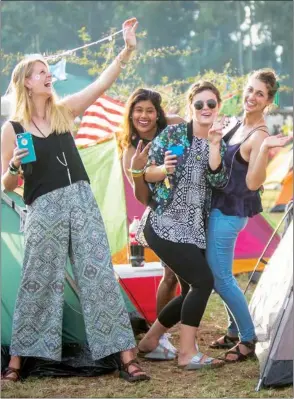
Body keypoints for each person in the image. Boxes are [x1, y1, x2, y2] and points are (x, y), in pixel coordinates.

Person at [1, 18, 150, 383]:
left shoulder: (64, 111)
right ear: (26, 82)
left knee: (98, 275)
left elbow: (101, 85)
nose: (48, 75)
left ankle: (127, 359)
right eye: (40, 72)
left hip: (80, 200)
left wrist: (126, 50)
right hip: (42, 206)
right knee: (37, 281)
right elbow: (5, 183)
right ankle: (17, 364)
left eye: (48, 70)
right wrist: (14, 166)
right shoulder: (13, 129)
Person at [136, 81, 228, 369]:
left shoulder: (219, 141)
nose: (205, 109)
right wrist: (164, 169)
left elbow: (219, 181)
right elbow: (146, 173)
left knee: (192, 288)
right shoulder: (174, 133)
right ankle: (187, 354)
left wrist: (214, 144)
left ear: (217, 107)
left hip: (193, 228)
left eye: (211, 104)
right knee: (203, 281)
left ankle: (150, 342)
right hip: (163, 223)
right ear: (191, 107)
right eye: (199, 104)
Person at [206, 68, 292, 362]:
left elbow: (254, 183)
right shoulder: (235, 123)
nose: (252, 97)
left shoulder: (260, 135)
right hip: (217, 206)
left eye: (260, 93)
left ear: (269, 101)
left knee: (221, 278)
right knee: (223, 274)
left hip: (230, 212)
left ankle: (247, 337)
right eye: (250, 89)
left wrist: (265, 149)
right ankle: (232, 329)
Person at [119, 88, 184, 319]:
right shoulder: (131, 151)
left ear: (158, 114)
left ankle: (174, 330)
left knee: (195, 278)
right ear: (131, 114)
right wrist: (141, 171)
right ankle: (159, 333)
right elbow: (143, 197)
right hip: (164, 214)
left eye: (149, 110)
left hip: (194, 209)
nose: (143, 116)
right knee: (171, 275)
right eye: (138, 110)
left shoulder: (174, 125)